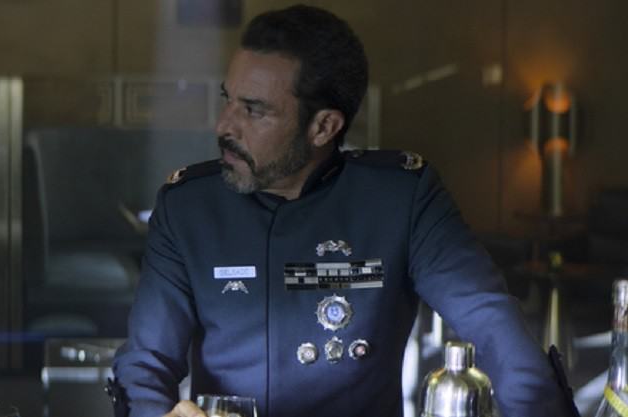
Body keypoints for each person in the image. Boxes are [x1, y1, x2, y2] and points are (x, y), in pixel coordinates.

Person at [110, 5, 577, 417]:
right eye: (227, 99)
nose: (224, 126)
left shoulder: (400, 199)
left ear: (324, 127)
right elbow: (145, 365)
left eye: (253, 110)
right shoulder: (189, 207)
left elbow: (494, 327)